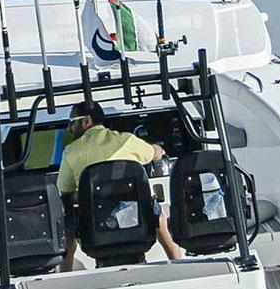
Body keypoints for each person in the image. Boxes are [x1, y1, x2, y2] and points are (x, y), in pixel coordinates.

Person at [56, 101, 185, 270]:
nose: (69, 128)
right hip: (135, 223)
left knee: (68, 225)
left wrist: (85, 194)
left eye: (71, 122)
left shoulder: (71, 151)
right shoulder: (127, 140)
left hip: (95, 230)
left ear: (87, 121)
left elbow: (65, 192)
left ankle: (65, 275)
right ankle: (178, 264)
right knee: (158, 213)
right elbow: (154, 153)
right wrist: (158, 150)